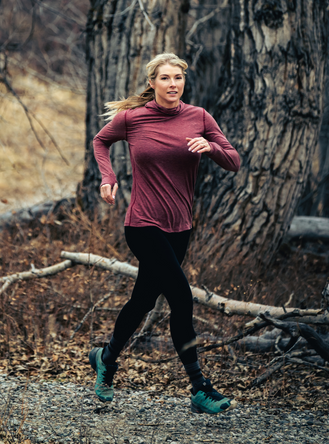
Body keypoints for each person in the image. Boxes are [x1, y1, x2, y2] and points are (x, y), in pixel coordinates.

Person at [88, 53, 240, 415]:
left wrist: (212, 147)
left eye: (179, 78)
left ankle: (105, 358)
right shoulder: (132, 119)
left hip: (180, 229)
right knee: (181, 299)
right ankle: (200, 388)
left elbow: (233, 161)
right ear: (152, 82)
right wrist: (108, 177)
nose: (173, 84)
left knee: (142, 301)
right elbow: (99, 142)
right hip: (142, 225)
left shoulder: (199, 117)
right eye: (166, 78)